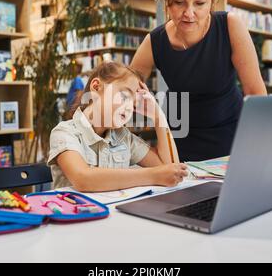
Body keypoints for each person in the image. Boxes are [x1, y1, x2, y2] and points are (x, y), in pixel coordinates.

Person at [130, 0, 267, 162]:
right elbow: (125, 89)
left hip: (232, 135)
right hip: (180, 140)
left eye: (199, 3)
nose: (189, 13)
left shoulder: (230, 26)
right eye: (179, 2)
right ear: (167, 3)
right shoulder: (155, 41)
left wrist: (259, 143)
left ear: (212, 1)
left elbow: (256, 92)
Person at [48, 61, 188, 192]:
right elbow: (83, 178)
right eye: (124, 96)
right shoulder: (65, 132)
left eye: (133, 105)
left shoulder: (123, 137)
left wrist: (158, 116)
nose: (128, 108)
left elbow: (172, 170)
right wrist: (153, 175)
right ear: (96, 87)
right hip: (78, 216)